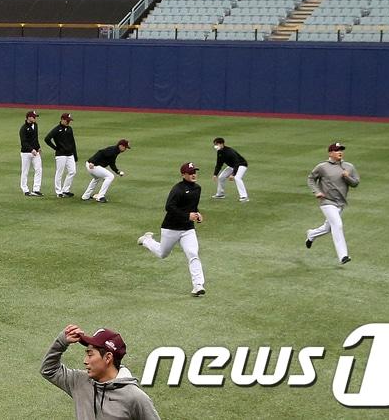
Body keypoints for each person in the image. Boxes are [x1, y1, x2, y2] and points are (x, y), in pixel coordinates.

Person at [40, 325, 159, 420]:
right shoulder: (79, 381)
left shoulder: (135, 398)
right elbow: (49, 370)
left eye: (90, 354)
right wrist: (61, 343)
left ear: (108, 358)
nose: (85, 361)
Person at [138, 162, 207, 296]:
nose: (193, 174)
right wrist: (188, 215)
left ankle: (198, 285)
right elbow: (169, 207)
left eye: (195, 172)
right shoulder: (178, 189)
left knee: (193, 254)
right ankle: (147, 240)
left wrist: (197, 214)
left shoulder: (197, 188)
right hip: (171, 228)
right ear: (183, 174)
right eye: (190, 172)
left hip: (188, 229)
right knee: (163, 254)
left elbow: (192, 206)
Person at [305, 142, 360, 265]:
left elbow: (355, 183)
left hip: (340, 203)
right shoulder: (322, 167)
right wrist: (317, 192)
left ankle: (311, 234)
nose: (340, 152)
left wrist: (347, 177)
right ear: (330, 153)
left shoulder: (349, 167)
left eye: (341, 150)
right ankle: (343, 256)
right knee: (338, 225)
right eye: (336, 150)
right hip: (327, 202)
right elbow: (311, 179)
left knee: (328, 227)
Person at [45, 113, 78, 198]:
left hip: (70, 154)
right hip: (61, 155)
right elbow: (47, 139)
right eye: (67, 121)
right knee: (60, 172)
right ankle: (58, 191)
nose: (68, 122)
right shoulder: (57, 129)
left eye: (69, 121)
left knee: (72, 171)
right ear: (62, 119)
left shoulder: (70, 129)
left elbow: (72, 142)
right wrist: (55, 148)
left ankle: (65, 190)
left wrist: (75, 154)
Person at [211, 137, 249, 202]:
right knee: (221, 177)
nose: (215, 146)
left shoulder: (230, 152)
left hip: (241, 165)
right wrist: (215, 174)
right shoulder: (219, 152)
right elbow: (219, 164)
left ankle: (244, 196)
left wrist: (233, 174)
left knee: (237, 178)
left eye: (217, 144)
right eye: (215, 145)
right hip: (232, 166)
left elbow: (237, 163)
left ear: (222, 144)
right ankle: (220, 194)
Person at [20, 110, 44, 197]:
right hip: (26, 153)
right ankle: (25, 189)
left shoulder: (35, 125)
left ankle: (36, 189)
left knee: (39, 169)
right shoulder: (23, 128)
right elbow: (24, 142)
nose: (35, 118)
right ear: (28, 118)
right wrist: (31, 150)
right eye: (33, 117)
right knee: (25, 171)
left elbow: (35, 138)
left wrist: (38, 147)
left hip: (35, 152)